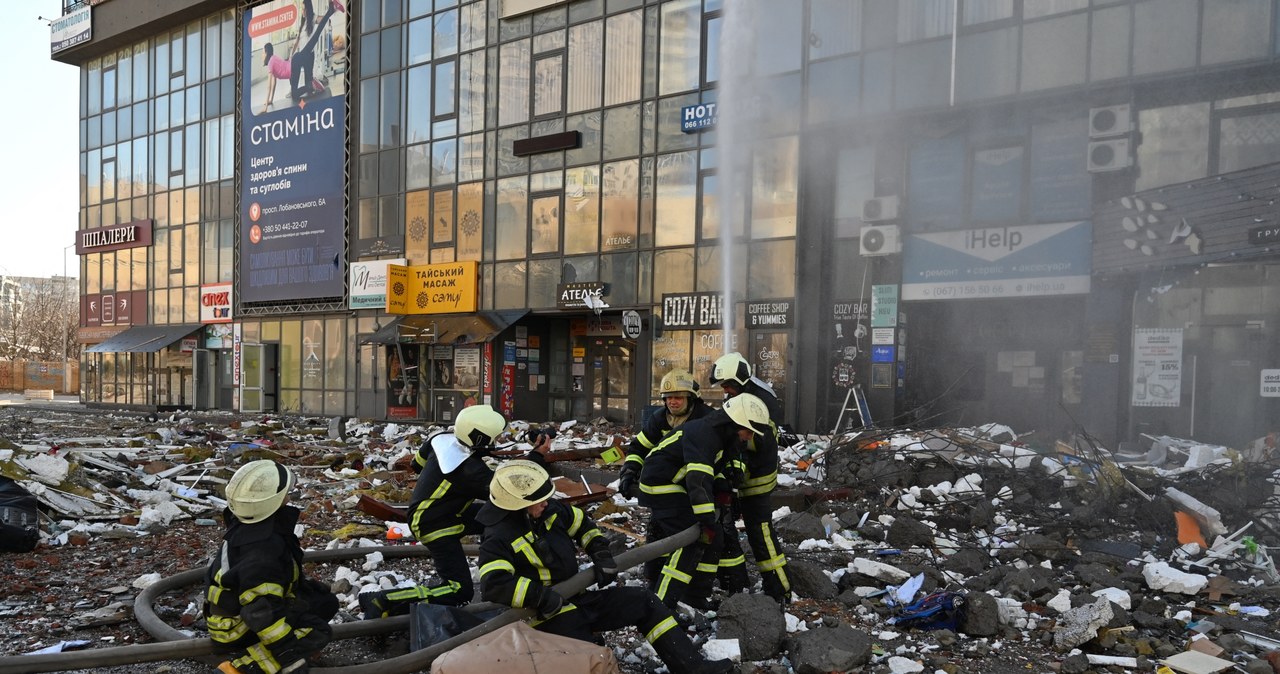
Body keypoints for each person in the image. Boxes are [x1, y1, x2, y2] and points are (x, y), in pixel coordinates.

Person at [478, 460, 733, 674]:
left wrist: (599, 551)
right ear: (516, 505)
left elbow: (582, 525)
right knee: (591, 659)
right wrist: (542, 597)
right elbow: (494, 584)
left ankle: (693, 667)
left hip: (577, 599)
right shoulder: (497, 537)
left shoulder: (547, 510)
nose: (546, 502)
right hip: (543, 618)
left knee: (644, 601)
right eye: (539, 500)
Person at [359, 404, 550, 618]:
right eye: (493, 438)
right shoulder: (469, 470)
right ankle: (383, 600)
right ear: (479, 440)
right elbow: (509, 491)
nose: (496, 442)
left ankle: (512, 563)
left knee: (497, 518)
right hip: (434, 524)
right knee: (459, 590)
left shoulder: (440, 439)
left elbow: (417, 464)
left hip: (442, 511)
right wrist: (536, 457)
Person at [637, 392, 772, 610]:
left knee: (714, 540)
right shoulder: (704, 434)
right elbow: (698, 480)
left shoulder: (722, 437)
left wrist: (724, 490)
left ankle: (696, 598)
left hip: (678, 485)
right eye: (748, 431)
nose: (749, 437)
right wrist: (707, 520)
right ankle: (661, 607)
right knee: (690, 540)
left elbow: (713, 472)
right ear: (735, 422)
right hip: (660, 485)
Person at [205, 460, 338, 674]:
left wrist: (304, 590)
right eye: (285, 492)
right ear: (273, 501)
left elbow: (273, 584)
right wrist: (288, 655)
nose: (290, 495)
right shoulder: (262, 552)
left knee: (324, 603)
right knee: (318, 631)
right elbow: (259, 612)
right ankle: (239, 668)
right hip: (236, 627)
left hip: (239, 611)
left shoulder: (252, 526)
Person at [709, 352, 792, 604]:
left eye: (728, 385)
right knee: (735, 528)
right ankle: (740, 581)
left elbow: (750, 443)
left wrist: (733, 465)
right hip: (750, 475)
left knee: (760, 533)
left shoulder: (759, 402)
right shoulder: (750, 391)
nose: (726, 390)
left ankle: (780, 588)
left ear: (741, 379)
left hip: (756, 479)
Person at [617, 368, 712, 499]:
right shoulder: (659, 419)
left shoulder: (707, 418)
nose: (672, 402)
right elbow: (639, 448)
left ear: (691, 398)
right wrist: (629, 472)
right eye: (668, 397)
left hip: (701, 483)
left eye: (678, 397)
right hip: (667, 485)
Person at [259, 0, 345, 115]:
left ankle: (331, 9)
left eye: (304, 9)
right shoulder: (302, 23)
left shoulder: (312, 18)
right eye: (302, 9)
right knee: (303, 88)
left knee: (309, 87)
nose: (302, 11)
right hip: (300, 56)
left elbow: (322, 21)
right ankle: (331, 9)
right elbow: (297, 42)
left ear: (308, 10)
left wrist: (328, 17)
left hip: (309, 55)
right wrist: (290, 56)